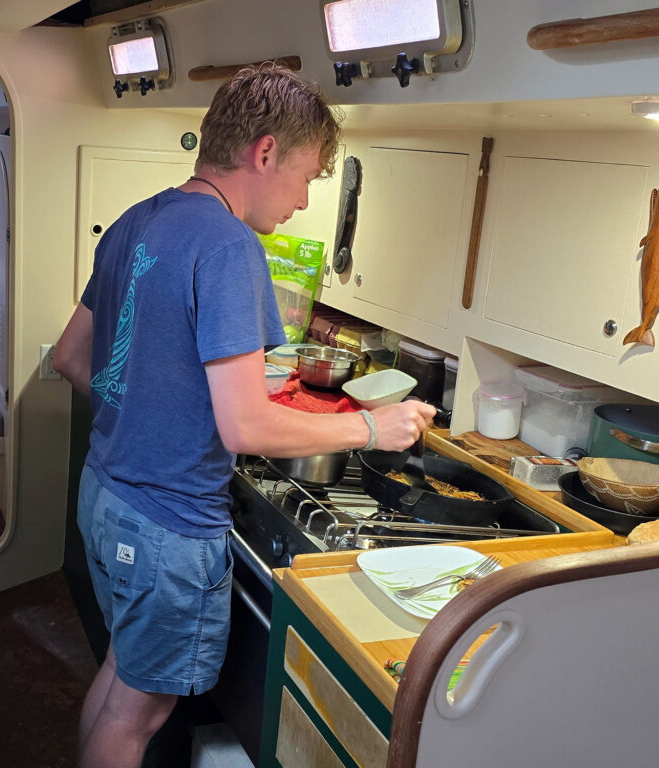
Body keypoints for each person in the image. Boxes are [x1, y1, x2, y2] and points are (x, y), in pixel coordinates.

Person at [51, 63, 436, 768]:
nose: (304, 199)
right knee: (137, 716)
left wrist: (143, 417)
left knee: (119, 677)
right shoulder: (230, 246)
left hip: (104, 495)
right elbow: (248, 427)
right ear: (265, 152)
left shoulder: (139, 218)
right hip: (167, 525)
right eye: (308, 177)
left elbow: (70, 357)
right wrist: (372, 428)